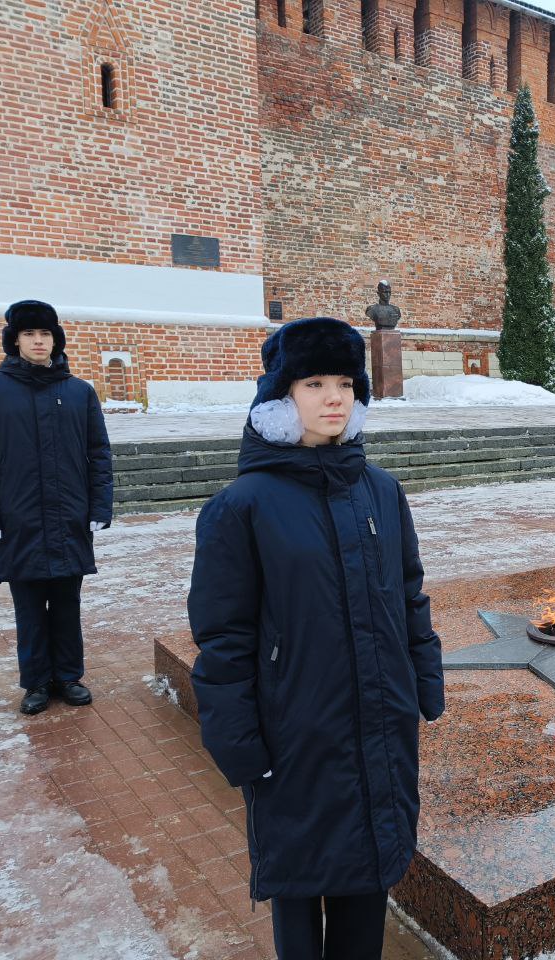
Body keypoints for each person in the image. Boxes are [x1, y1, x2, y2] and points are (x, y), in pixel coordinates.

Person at [188, 317, 444, 960]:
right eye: (314, 382)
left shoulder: (381, 492)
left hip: (379, 727)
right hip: (296, 736)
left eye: (345, 383)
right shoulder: (241, 506)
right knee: (301, 893)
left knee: (367, 890)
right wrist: (239, 741)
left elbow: (408, 595)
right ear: (281, 398)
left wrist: (423, 679)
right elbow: (223, 637)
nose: (334, 397)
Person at [0, 299, 113, 715]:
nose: (38, 341)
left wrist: (100, 506)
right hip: (17, 519)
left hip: (69, 516)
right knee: (28, 607)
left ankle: (68, 676)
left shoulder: (79, 391)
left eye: (45, 334)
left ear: (55, 340)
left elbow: (98, 453)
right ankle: (36, 682)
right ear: (15, 341)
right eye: (29, 334)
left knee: (67, 602)